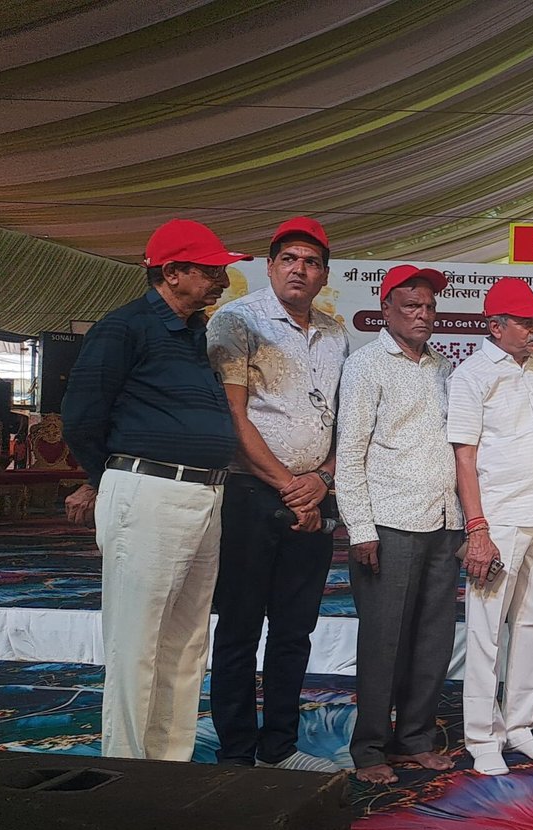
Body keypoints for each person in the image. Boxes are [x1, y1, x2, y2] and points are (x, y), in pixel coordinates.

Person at [60, 219, 251, 760]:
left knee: (187, 644)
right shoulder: (124, 328)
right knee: (137, 644)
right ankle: (127, 773)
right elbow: (81, 418)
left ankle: (169, 768)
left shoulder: (194, 332)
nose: (222, 280)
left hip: (203, 495)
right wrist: (110, 478)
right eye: (210, 270)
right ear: (171, 272)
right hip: (147, 490)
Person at [206, 216, 346, 772]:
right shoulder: (236, 320)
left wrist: (322, 480)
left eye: (311, 262)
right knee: (240, 628)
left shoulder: (334, 333)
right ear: (269, 267)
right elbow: (232, 416)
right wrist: (291, 488)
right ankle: (238, 753)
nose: (299, 269)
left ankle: (280, 747)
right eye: (289, 258)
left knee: (294, 629)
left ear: (324, 275)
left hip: (314, 495)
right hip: (251, 493)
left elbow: (341, 423)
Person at [336, 264, 461, 785]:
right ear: (386, 310)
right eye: (411, 306)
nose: (423, 315)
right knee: (383, 641)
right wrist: (361, 528)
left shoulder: (442, 367)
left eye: (429, 307)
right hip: (388, 523)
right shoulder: (366, 365)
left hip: (443, 521)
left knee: (433, 640)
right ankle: (369, 748)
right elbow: (349, 453)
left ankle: (414, 739)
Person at [447, 278, 533, 774]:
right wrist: (477, 527)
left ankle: (520, 726)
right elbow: (464, 456)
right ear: (494, 327)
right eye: (524, 321)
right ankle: (482, 736)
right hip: (498, 520)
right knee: (486, 629)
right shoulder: (471, 375)